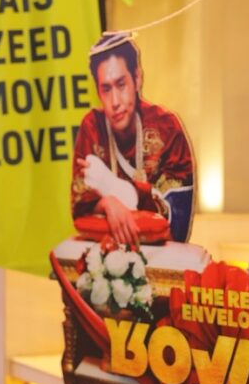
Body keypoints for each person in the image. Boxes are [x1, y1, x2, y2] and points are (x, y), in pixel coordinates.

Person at [71, 33, 195, 244]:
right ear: (97, 91)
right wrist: (108, 204)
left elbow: (176, 224)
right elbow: (79, 209)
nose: (115, 101)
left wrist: (112, 188)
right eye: (106, 89)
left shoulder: (166, 127)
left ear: (137, 78)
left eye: (121, 84)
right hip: (106, 255)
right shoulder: (92, 127)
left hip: (162, 258)